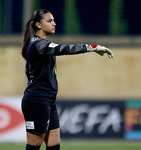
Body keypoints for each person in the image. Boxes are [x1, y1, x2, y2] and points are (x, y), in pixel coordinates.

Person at [21, 9, 113, 150]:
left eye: (54, 20)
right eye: (50, 21)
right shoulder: (38, 44)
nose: (54, 24)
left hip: (48, 101)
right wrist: (92, 47)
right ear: (38, 25)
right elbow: (64, 49)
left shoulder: (40, 44)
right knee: (33, 147)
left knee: (54, 146)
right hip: (37, 101)